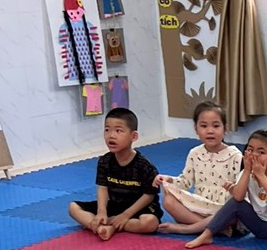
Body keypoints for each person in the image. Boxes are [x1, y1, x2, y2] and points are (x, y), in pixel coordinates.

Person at [185, 129, 267, 250]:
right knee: (235, 202)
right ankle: (207, 235)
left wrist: (260, 175)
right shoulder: (245, 174)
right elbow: (238, 197)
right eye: (250, 150)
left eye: (261, 152)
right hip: (257, 227)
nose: (254, 155)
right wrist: (247, 171)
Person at [68, 108, 161, 239]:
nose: (111, 136)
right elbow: (102, 188)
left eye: (118, 131)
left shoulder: (144, 165)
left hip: (139, 208)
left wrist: (125, 215)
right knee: (73, 207)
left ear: (133, 136)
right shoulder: (104, 161)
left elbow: (149, 196)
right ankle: (101, 226)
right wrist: (101, 212)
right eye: (107, 130)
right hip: (115, 205)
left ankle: (110, 225)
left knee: (150, 223)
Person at [155, 100, 243, 234]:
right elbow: (185, 182)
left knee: (235, 211)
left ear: (225, 128)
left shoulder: (235, 155)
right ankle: (216, 228)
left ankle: (189, 228)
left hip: (223, 207)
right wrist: (168, 179)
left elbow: (242, 188)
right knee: (168, 201)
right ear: (196, 129)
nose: (210, 131)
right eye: (204, 126)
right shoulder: (195, 153)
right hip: (199, 205)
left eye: (216, 126)